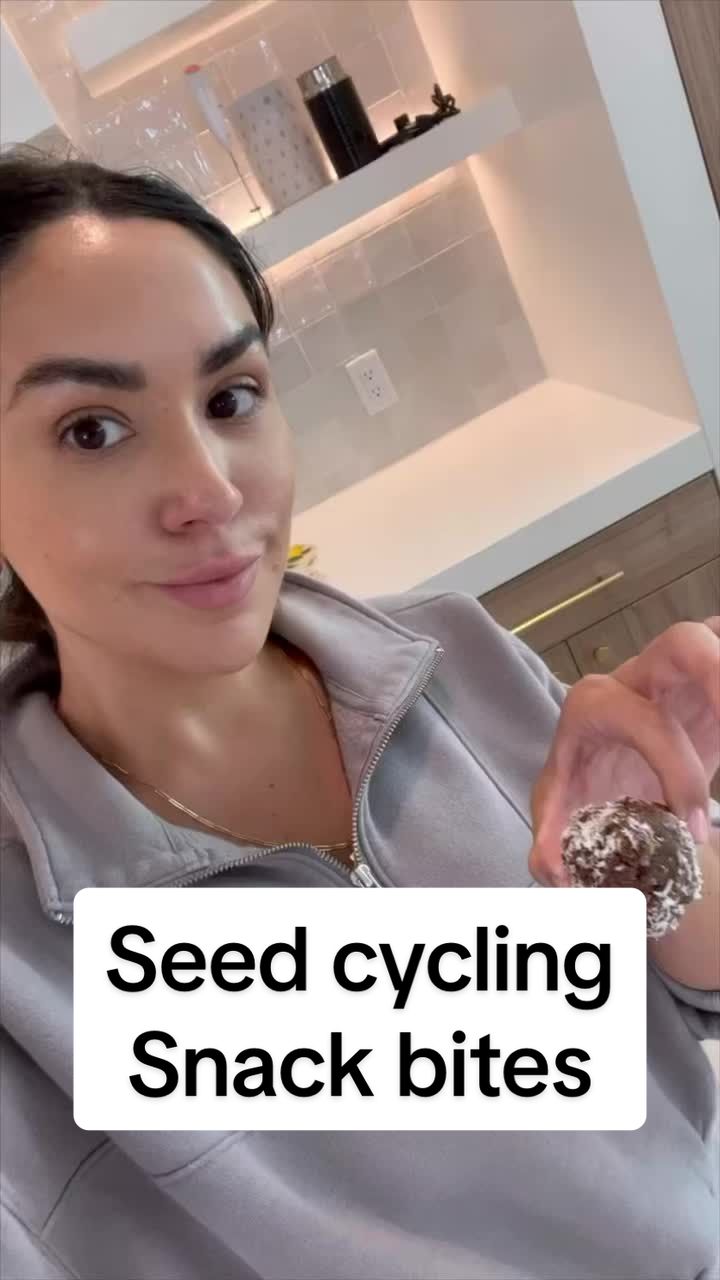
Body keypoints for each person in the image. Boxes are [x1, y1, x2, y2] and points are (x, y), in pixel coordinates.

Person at [0, 150, 718, 1280]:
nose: (211, 489)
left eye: (231, 398)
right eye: (92, 428)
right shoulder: (27, 972)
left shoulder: (451, 657)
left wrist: (665, 843)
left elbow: (688, 997)